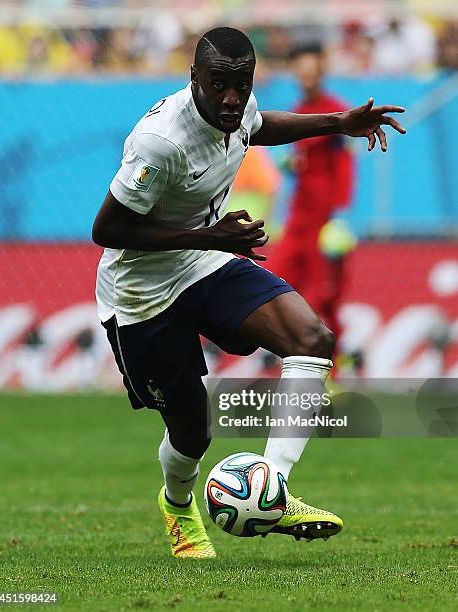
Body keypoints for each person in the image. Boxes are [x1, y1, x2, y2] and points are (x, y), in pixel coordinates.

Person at [92, 27, 406, 559]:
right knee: (192, 434)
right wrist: (210, 234)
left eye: (242, 85)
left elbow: (259, 126)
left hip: (204, 262)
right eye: (220, 86)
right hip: (141, 293)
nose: (233, 98)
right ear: (195, 79)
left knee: (312, 338)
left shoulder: (239, 104)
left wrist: (338, 122)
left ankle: (274, 489)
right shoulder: (160, 142)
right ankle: (176, 503)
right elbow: (108, 230)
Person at [269, 43, 354, 349]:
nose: (306, 75)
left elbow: (344, 164)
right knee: (273, 285)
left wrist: (340, 214)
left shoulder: (338, 111)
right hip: (298, 219)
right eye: (301, 70)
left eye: (311, 69)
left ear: (321, 70)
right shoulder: (297, 111)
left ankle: (331, 376)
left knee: (322, 300)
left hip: (323, 220)